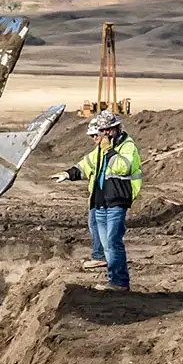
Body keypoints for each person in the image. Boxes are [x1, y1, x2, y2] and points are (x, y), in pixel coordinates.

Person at [61, 111, 143, 291]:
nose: (105, 134)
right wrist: (68, 173)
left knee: (113, 241)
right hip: (100, 201)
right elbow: (87, 165)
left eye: (108, 130)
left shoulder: (127, 147)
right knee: (106, 244)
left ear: (116, 128)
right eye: (103, 131)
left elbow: (123, 167)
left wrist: (109, 151)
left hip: (116, 201)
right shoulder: (100, 149)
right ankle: (113, 280)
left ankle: (120, 282)